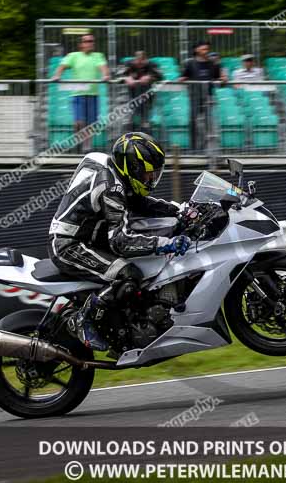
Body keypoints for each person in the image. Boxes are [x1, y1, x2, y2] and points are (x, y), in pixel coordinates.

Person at [48, 132, 191, 351]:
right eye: (147, 174)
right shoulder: (111, 188)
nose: (151, 180)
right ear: (131, 168)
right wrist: (166, 244)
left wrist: (180, 210)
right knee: (128, 275)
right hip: (69, 245)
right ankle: (83, 320)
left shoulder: (115, 175)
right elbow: (121, 242)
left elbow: (140, 203)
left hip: (90, 239)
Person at [52, 34, 110, 151]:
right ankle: (80, 138)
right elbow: (62, 66)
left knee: (91, 123)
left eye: (92, 41)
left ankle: (86, 145)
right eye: (87, 41)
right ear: (81, 44)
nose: (90, 43)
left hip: (93, 94)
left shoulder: (98, 56)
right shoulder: (73, 56)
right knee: (79, 122)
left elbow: (103, 68)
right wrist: (57, 75)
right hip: (77, 94)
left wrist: (106, 75)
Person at [178, 41, 227, 150]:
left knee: (209, 123)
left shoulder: (213, 64)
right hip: (194, 97)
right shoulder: (190, 63)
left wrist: (223, 78)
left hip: (208, 97)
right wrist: (182, 79)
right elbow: (182, 77)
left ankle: (209, 148)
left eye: (207, 49)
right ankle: (194, 148)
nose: (206, 51)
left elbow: (221, 79)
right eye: (204, 49)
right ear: (197, 50)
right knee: (193, 121)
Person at [122, 51, 163, 131]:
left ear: (146, 60)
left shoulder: (152, 65)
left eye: (142, 62)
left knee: (145, 121)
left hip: (147, 97)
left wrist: (149, 77)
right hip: (132, 97)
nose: (140, 65)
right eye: (138, 62)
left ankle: (145, 127)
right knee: (130, 121)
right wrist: (127, 78)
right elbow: (118, 74)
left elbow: (161, 76)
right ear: (135, 60)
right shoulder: (129, 64)